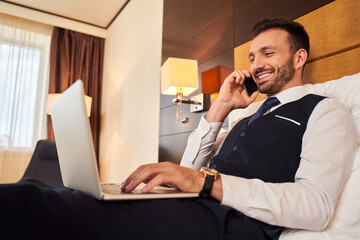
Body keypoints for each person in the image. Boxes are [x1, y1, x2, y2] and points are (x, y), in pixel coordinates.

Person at [0, 19, 357, 240]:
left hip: (234, 225)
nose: (257, 65)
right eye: (251, 58)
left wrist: (204, 183)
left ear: (298, 58)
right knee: (43, 193)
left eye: (268, 53)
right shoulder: (244, 116)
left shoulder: (325, 110)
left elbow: (317, 206)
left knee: (38, 208)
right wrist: (219, 109)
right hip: (191, 207)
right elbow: (190, 164)